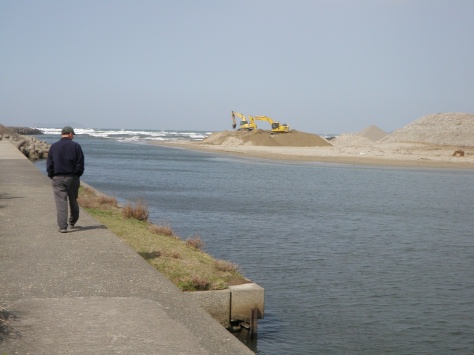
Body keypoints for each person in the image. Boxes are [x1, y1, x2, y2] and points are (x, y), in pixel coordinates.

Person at [46, 126, 85, 233]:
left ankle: (63, 227)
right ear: (71, 134)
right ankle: (72, 221)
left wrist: (51, 175)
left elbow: (50, 163)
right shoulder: (76, 146)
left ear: (62, 134)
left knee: (61, 202)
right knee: (73, 201)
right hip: (72, 177)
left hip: (57, 177)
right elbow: (80, 163)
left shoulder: (54, 146)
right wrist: (78, 174)